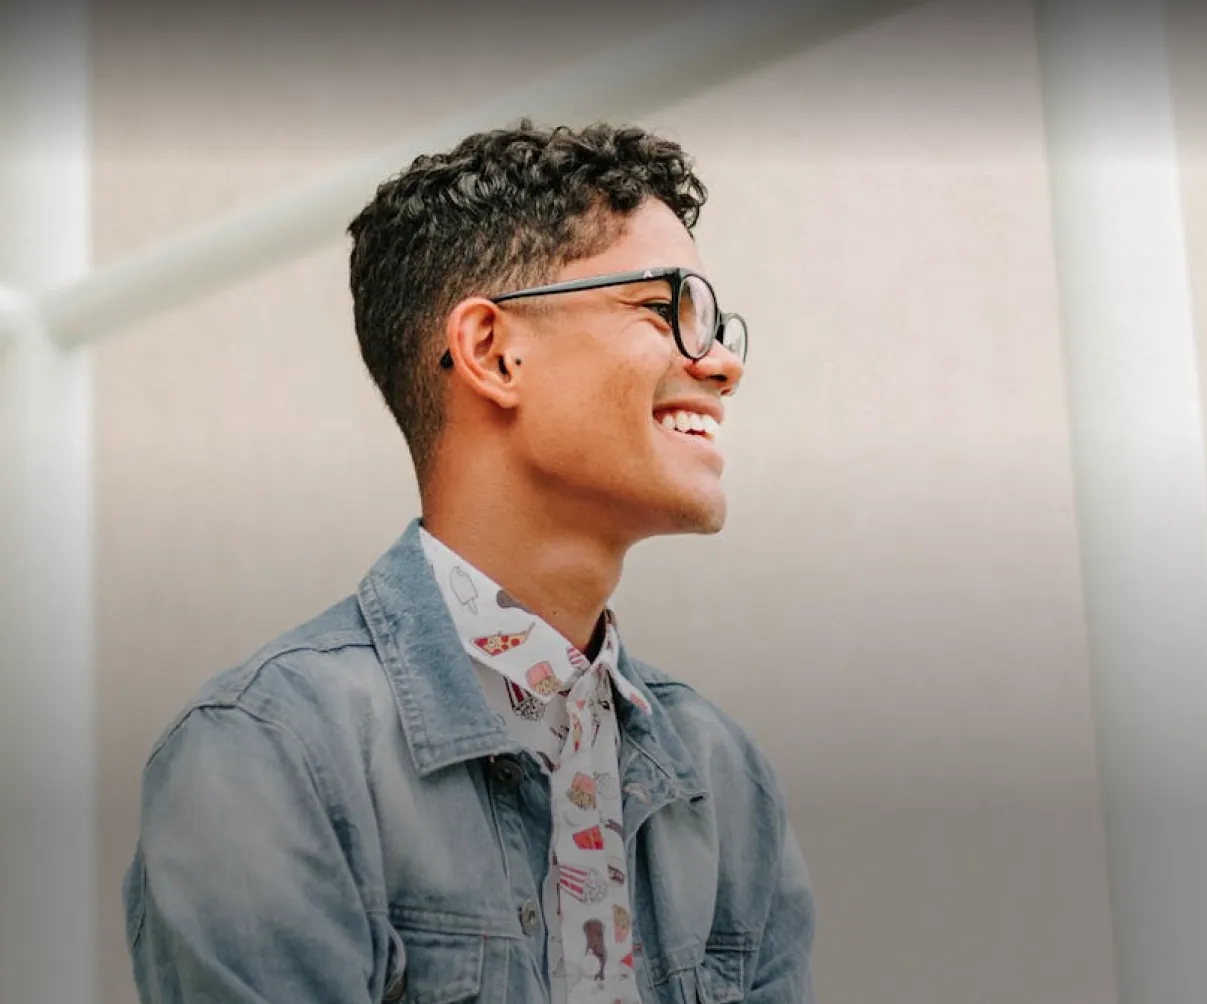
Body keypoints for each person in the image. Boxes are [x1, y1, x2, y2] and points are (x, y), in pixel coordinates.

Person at [124, 121, 815, 1004]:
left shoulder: (726, 779)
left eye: (716, 324)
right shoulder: (268, 753)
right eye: (665, 308)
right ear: (492, 351)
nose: (719, 364)